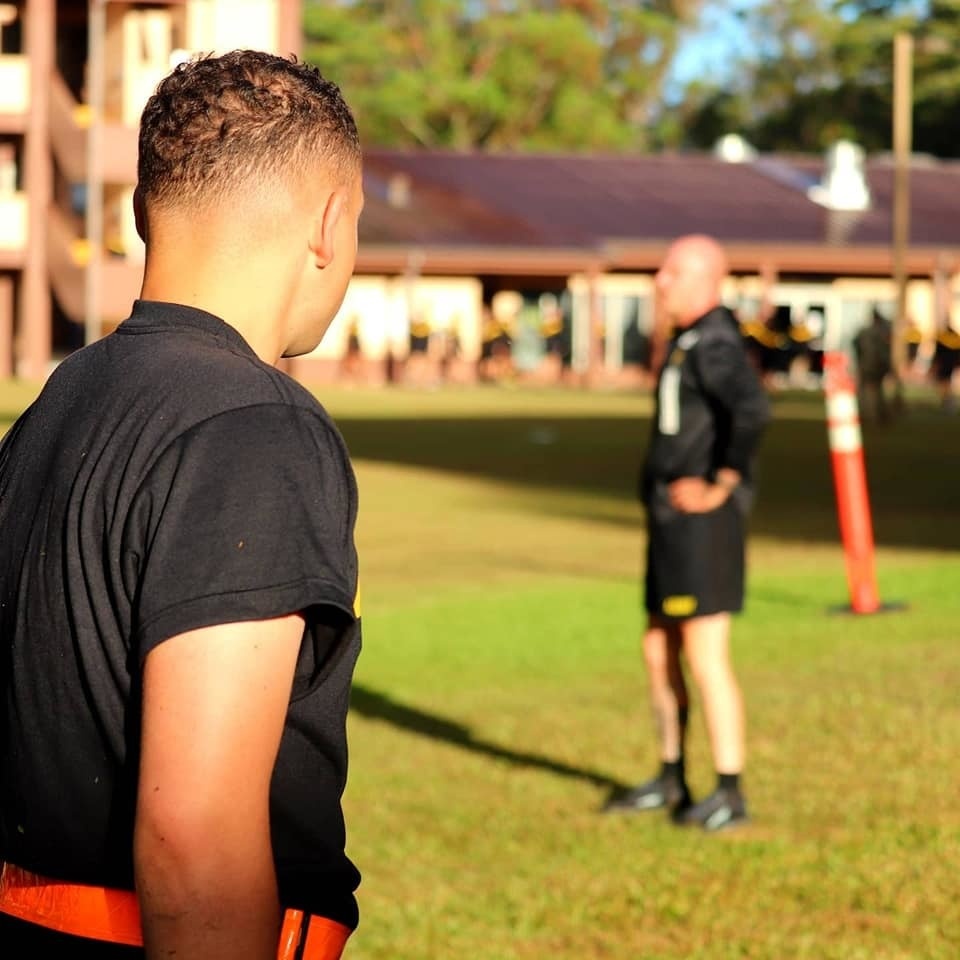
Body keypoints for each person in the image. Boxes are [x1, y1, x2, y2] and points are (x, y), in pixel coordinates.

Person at [0, 51, 365, 959]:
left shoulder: (57, 402)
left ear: (139, 212)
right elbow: (193, 839)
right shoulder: (256, 425)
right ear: (327, 223)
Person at [604, 235, 770, 831]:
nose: (660, 281)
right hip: (670, 522)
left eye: (673, 272)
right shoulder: (687, 340)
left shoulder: (717, 342)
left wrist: (720, 482)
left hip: (703, 526)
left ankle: (729, 790)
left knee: (705, 653)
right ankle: (672, 775)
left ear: (707, 280)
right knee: (658, 648)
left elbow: (752, 410)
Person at [852, 307, 893, 424]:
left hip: (869, 365)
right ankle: (875, 414)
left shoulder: (866, 332)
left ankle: (870, 414)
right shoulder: (880, 332)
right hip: (874, 365)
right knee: (874, 390)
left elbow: (857, 346)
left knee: (868, 391)